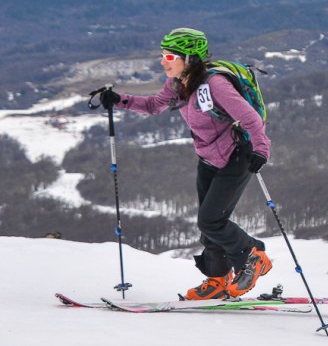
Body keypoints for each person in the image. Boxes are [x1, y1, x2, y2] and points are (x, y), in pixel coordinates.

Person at [99, 27, 273, 300]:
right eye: (163, 55)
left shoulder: (216, 85)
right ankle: (217, 280)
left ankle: (253, 254)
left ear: (189, 58)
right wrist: (119, 100)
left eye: (169, 56)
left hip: (238, 156)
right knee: (208, 224)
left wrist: (261, 149)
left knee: (211, 220)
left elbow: (251, 118)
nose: (163, 61)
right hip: (207, 158)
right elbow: (154, 105)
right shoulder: (179, 83)